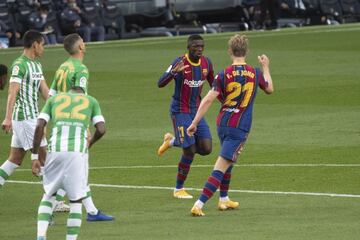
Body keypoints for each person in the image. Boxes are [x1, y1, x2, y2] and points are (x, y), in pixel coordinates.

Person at [187, 34, 274, 216]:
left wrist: (195, 122)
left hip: (223, 123)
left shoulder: (223, 74)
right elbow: (269, 89)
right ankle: (199, 204)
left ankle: (224, 199)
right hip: (240, 126)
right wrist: (265, 67)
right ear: (247, 51)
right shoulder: (255, 73)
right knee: (222, 165)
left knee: (229, 161)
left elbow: (209, 99)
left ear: (230, 51)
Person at [48, 33, 114, 221]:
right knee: (78, 167)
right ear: (80, 48)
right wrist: (85, 127)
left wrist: (56, 118)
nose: (85, 44)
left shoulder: (62, 67)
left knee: (70, 169)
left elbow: (51, 95)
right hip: (75, 123)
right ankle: (89, 212)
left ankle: (87, 210)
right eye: (83, 42)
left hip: (61, 122)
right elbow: (81, 99)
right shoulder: (80, 69)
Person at [31, 85, 106, 240]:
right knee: (76, 200)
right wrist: (90, 142)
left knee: (49, 194)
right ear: (82, 94)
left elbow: (39, 125)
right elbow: (101, 129)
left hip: (55, 151)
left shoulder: (53, 99)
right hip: (76, 154)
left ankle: (40, 236)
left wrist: (34, 156)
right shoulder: (91, 101)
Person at [157, 34, 214, 199]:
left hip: (197, 111)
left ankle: (171, 141)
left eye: (202, 46)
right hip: (180, 110)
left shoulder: (206, 63)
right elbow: (160, 83)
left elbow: (214, 85)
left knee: (206, 148)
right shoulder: (179, 62)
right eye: (196, 47)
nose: (200, 49)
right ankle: (178, 189)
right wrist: (173, 73)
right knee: (189, 150)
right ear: (188, 47)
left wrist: (226, 99)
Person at [0, 30, 49, 187]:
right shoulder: (19, 65)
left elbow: (45, 92)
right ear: (35, 45)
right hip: (24, 118)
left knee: (14, 160)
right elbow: (12, 91)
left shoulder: (36, 65)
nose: (43, 48)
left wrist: (60, 108)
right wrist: (8, 118)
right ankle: (54, 202)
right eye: (42, 45)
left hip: (32, 118)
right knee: (44, 159)